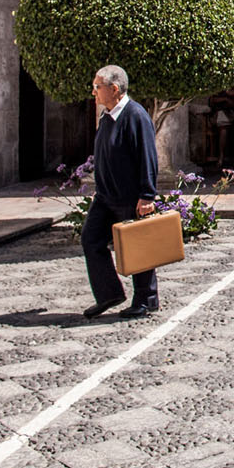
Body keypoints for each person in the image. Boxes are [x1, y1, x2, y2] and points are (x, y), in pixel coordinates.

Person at [83, 65, 160, 319]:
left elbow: (147, 156)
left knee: (138, 248)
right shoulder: (107, 116)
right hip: (105, 197)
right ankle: (109, 294)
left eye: (97, 87)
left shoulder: (135, 115)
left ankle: (146, 300)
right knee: (91, 239)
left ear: (114, 89)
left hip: (129, 196)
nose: (93, 92)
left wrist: (147, 195)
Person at [206, 85, 234, 167]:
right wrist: (225, 99)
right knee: (223, 131)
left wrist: (233, 104)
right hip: (224, 118)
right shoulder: (221, 91)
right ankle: (221, 157)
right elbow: (212, 100)